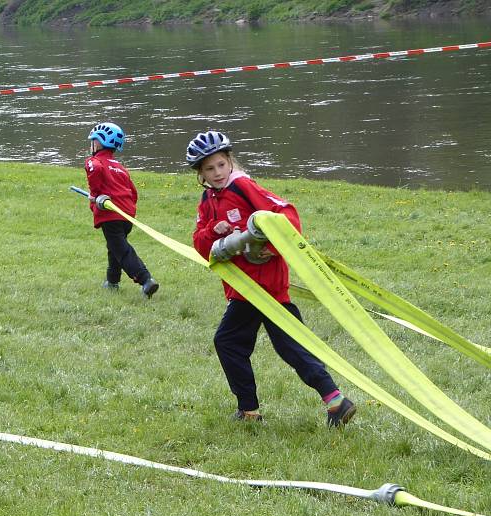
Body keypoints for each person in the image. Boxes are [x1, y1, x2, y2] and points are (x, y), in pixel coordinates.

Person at [188, 130, 356, 426]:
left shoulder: (242, 186)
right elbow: (201, 246)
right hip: (243, 287)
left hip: (261, 285)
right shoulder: (208, 200)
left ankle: (249, 412)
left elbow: (286, 214)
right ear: (200, 174)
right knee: (289, 345)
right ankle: (336, 402)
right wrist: (213, 232)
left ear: (230, 162)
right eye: (209, 169)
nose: (216, 173)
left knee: (228, 341)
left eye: (221, 165)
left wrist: (267, 247)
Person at [85, 122, 159, 298]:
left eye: (93, 141)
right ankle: (112, 282)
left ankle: (145, 280)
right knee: (115, 248)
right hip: (126, 216)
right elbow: (133, 192)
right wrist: (128, 209)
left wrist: (95, 195)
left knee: (122, 251)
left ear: (98, 143)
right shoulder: (120, 167)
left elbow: (94, 168)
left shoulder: (94, 161)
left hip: (110, 215)